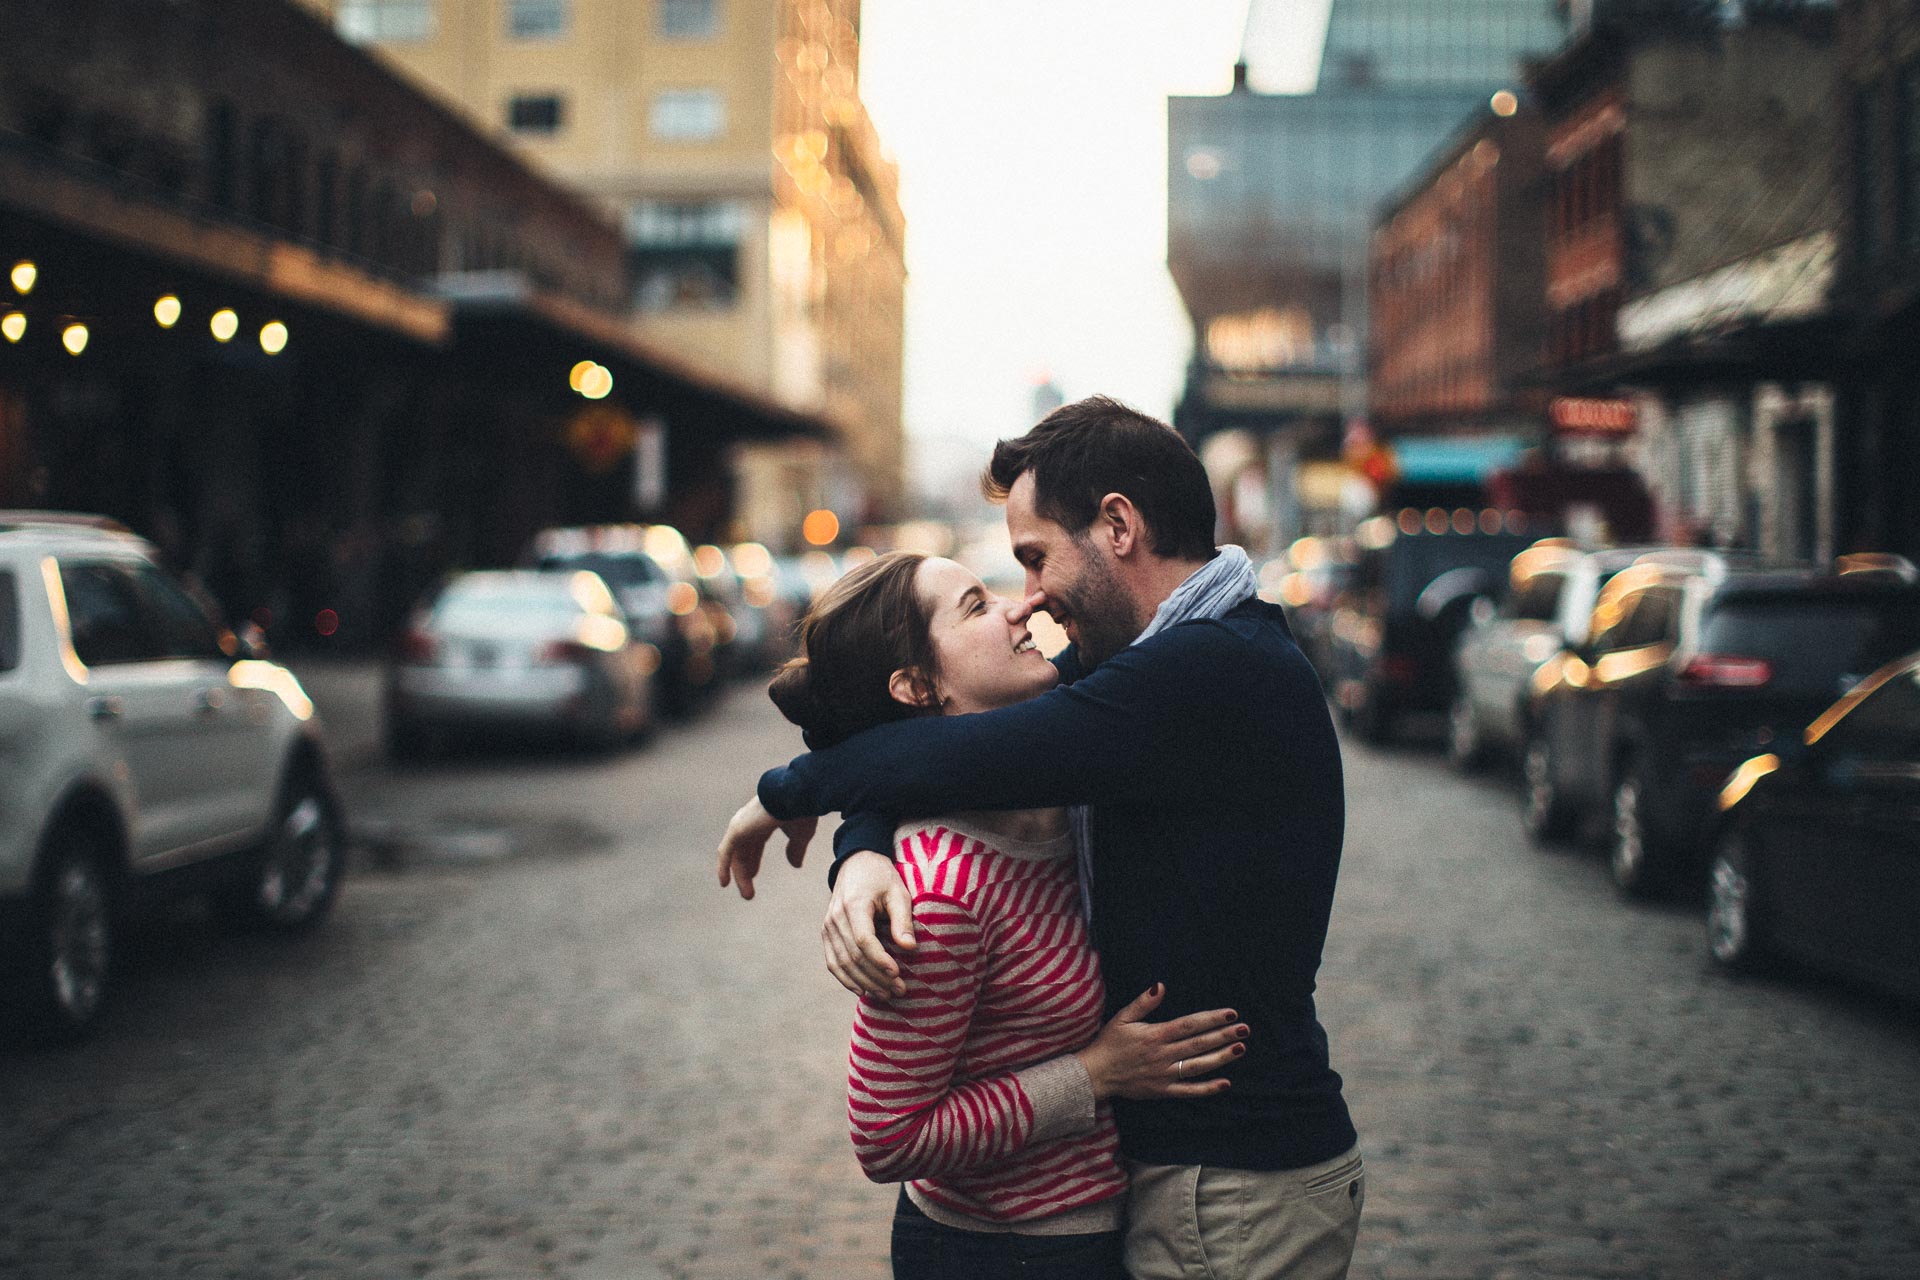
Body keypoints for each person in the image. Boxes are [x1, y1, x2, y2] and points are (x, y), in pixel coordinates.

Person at [719, 396, 1364, 1279]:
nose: (1030, 601)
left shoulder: (1207, 669)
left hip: (1237, 1183)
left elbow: (962, 751)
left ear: (1119, 527)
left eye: (1033, 558)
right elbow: (945, 748)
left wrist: (790, 793)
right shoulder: (1154, 664)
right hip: (1198, 1182)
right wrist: (863, 847)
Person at [762, 549, 1249, 1280]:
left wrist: (842, 824)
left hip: (1100, 1226)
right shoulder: (940, 893)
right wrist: (1093, 1074)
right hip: (998, 1249)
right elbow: (886, 1136)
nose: (1019, 606)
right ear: (918, 686)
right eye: (977, 606)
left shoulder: (1068, 791)